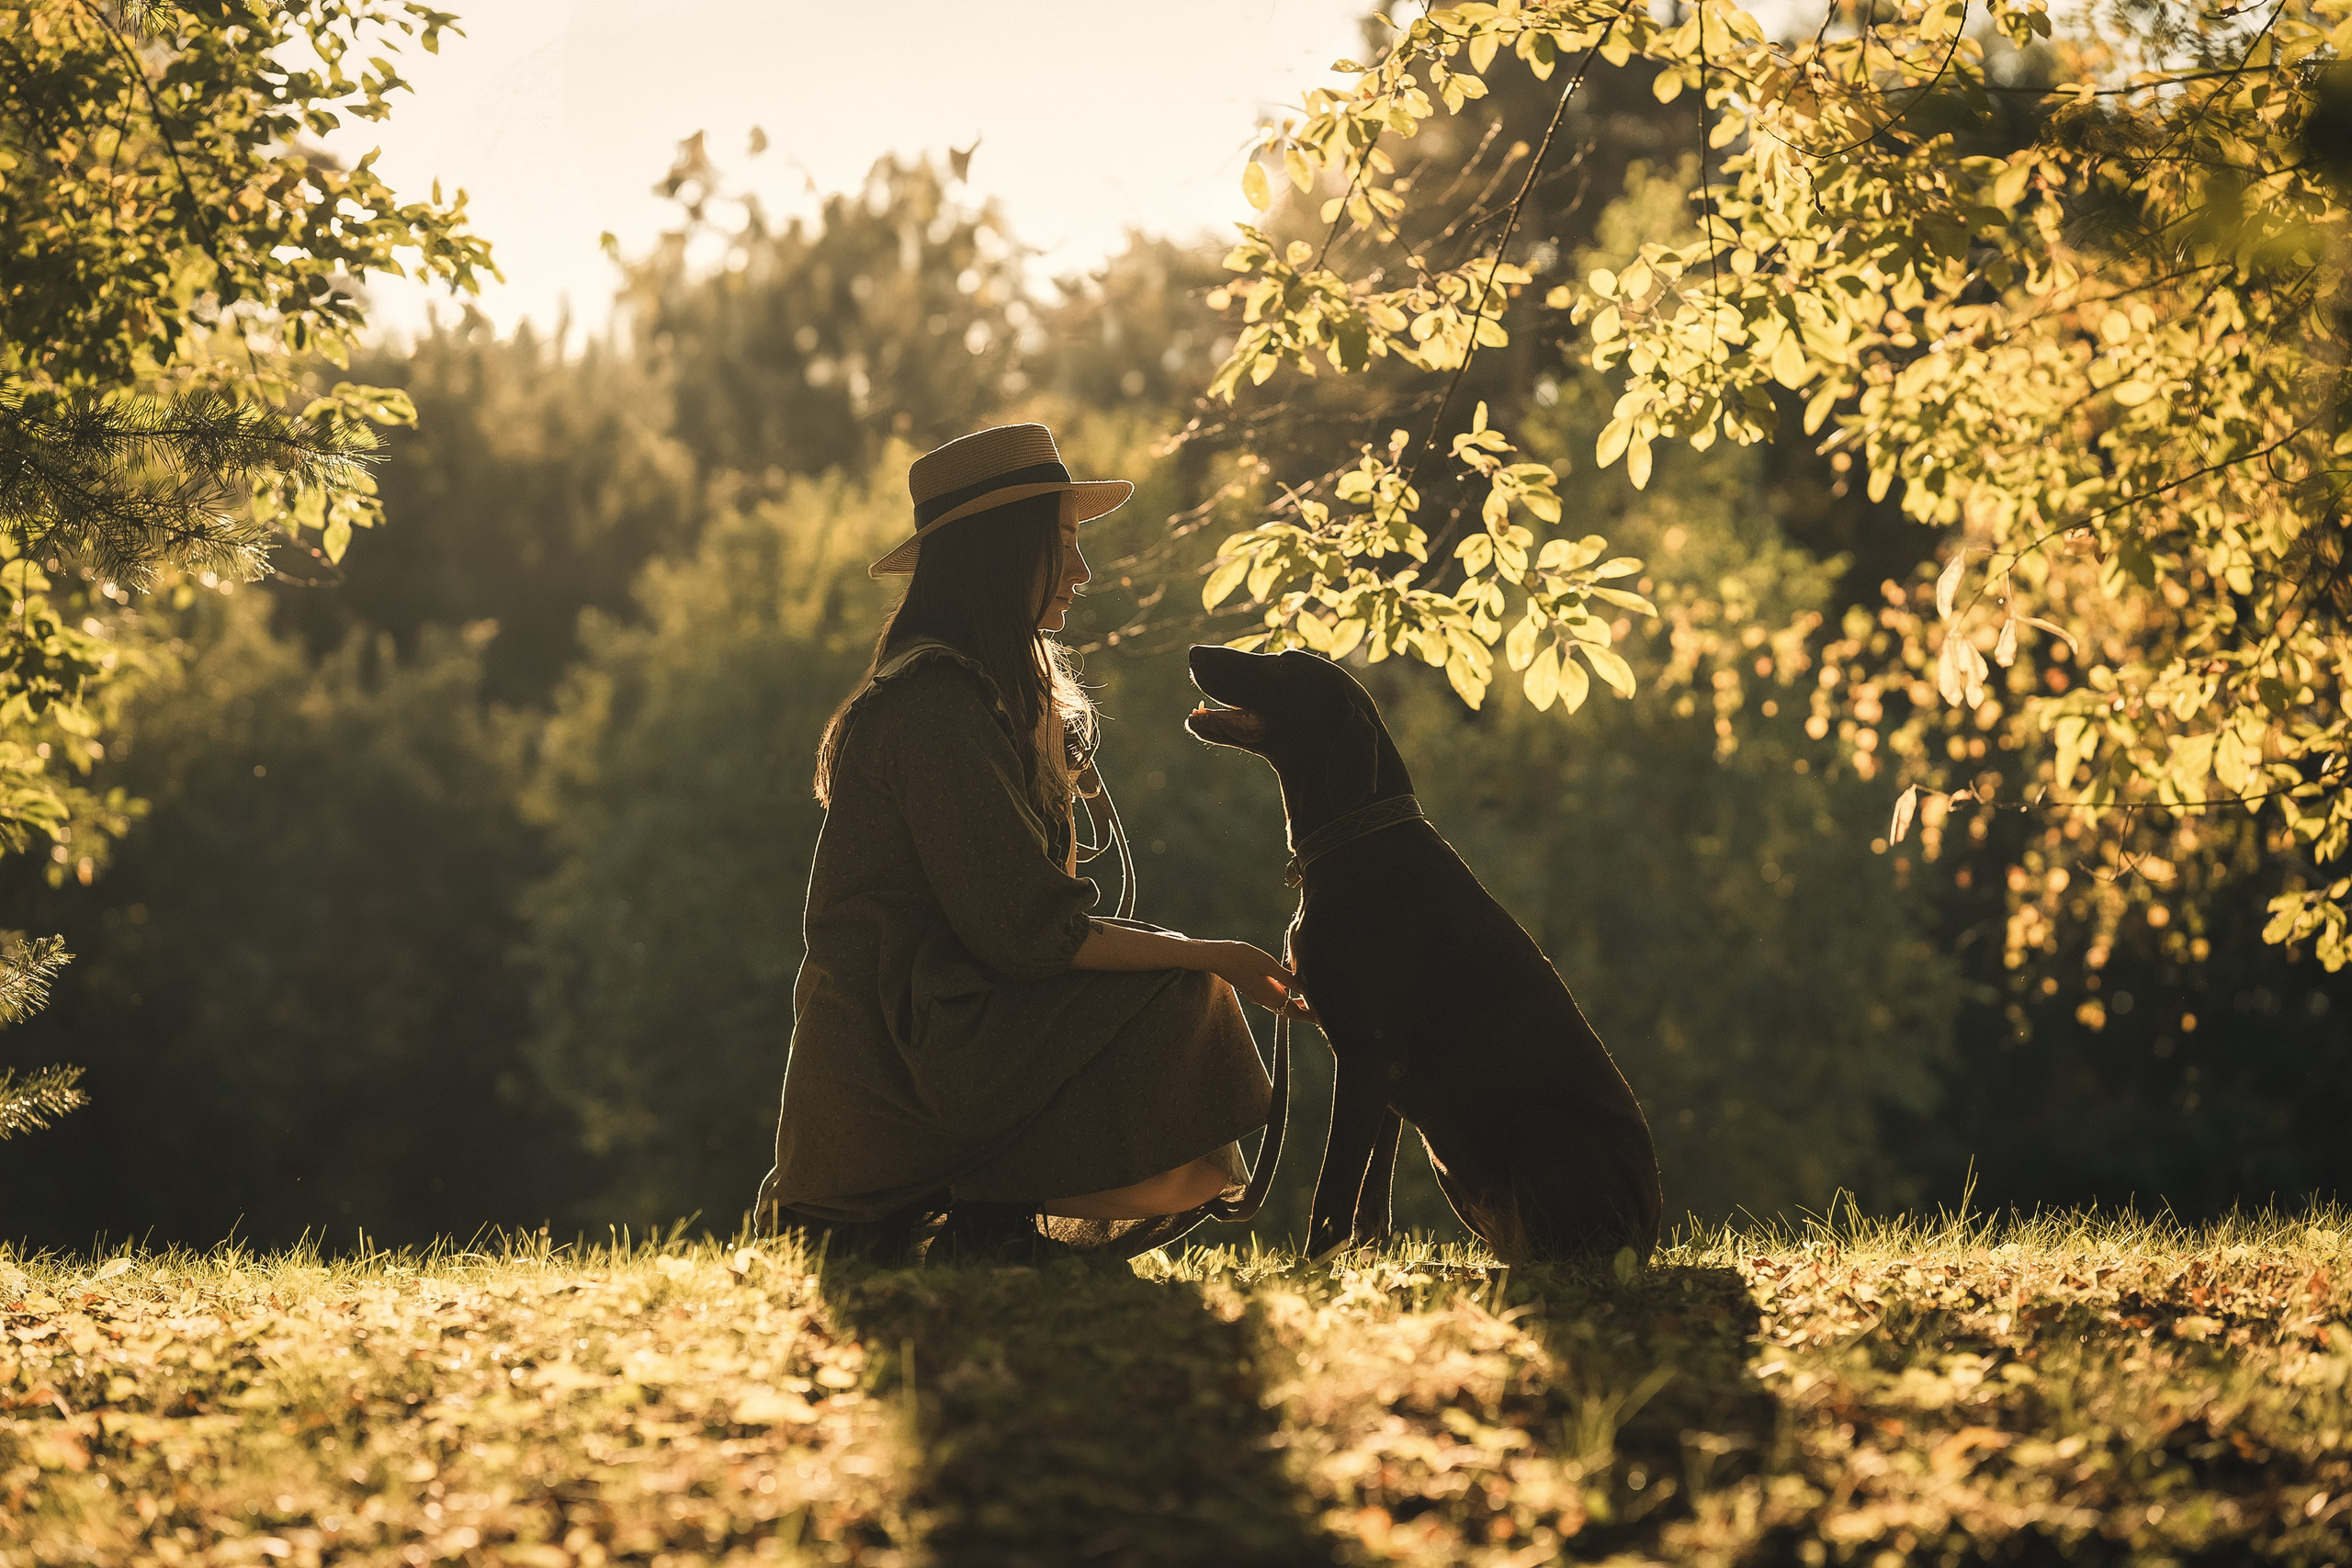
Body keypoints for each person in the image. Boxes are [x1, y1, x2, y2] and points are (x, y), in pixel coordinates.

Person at [755, 423, 1306, 1259]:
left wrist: (1196, 955)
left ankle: (988, 1216)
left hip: (953, 1026)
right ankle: (962, 1214)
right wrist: (1211, 954)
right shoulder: (932, 706)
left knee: (1179, 987)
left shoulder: (984, 696)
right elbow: (1032, 932)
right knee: (1183, 991)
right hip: (906, 1052)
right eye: (1064, 544)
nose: (1083, 572)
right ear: (1000, 553)